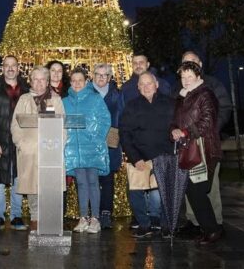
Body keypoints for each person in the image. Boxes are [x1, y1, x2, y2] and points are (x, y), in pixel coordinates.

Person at [176, 50, 231, 234]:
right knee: (192, 185)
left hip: (205, 144)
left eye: (192, 62)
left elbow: (222, 109)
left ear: (199, 64)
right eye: (185, 62)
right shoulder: (183, 90)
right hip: (189, 146)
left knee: (208, 186)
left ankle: (215, 222)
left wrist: (210, 130)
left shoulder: (211, 85)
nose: (189, 65)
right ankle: (195, 221)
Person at [11, 66, 66, 231]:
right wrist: (21, 143)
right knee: (32, 187)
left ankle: (49, 218)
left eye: (43, 79)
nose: (39, 82)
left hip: (50, 151)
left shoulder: (55, 100)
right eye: (36, 79)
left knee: (48, 186)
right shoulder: (23, 99)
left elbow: (64, 125)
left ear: (47, 81)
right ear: (31, 81)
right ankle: (35, 218)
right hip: (29, 151)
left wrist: (59, 145)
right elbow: (15, 124)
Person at [119, 72, 174, 238]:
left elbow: (177, 125)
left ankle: (165, 225)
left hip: (163, 156)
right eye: (141, 84)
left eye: (149, 83)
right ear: (138, 88)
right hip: (139, 157)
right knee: (136, 192)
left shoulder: (170, 103)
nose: (145, 87)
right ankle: (144, 224)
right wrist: (135, 158)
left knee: (165, 193)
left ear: (156, 84)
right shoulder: (131, 106)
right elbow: (125, 134)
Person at [0, 55, 30, 231]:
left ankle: (16, 216)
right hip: (0, 141)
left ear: (18, 68)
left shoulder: (26, 89)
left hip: (20, 142)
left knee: (18, 178)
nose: (10, 68)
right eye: (7, 65)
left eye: (13, 65)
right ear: (3, 68)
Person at [64, 68, 110, 234]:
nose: (77, 84)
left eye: (80, 81)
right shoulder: (65, 102)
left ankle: (95, 218)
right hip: (75, 150)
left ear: (86, 82)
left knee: (93, 182)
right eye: (74, 80)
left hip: (92, 148)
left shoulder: (95, 99)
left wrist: (97, 138)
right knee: (81, 183)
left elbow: (105, 119)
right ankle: (83, 217)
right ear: (70, 83)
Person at [91, 63, 125, 229]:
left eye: (105, 75)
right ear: (93, 75)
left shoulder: (117, 95)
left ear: (110, 78)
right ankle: (93, 214)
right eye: (98, 74)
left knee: (108, 180)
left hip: (111, 143)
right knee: (91, 180)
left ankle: (105, 213)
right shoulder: (86, 93)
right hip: (90, 143)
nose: (101, 77)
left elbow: (123, 117)